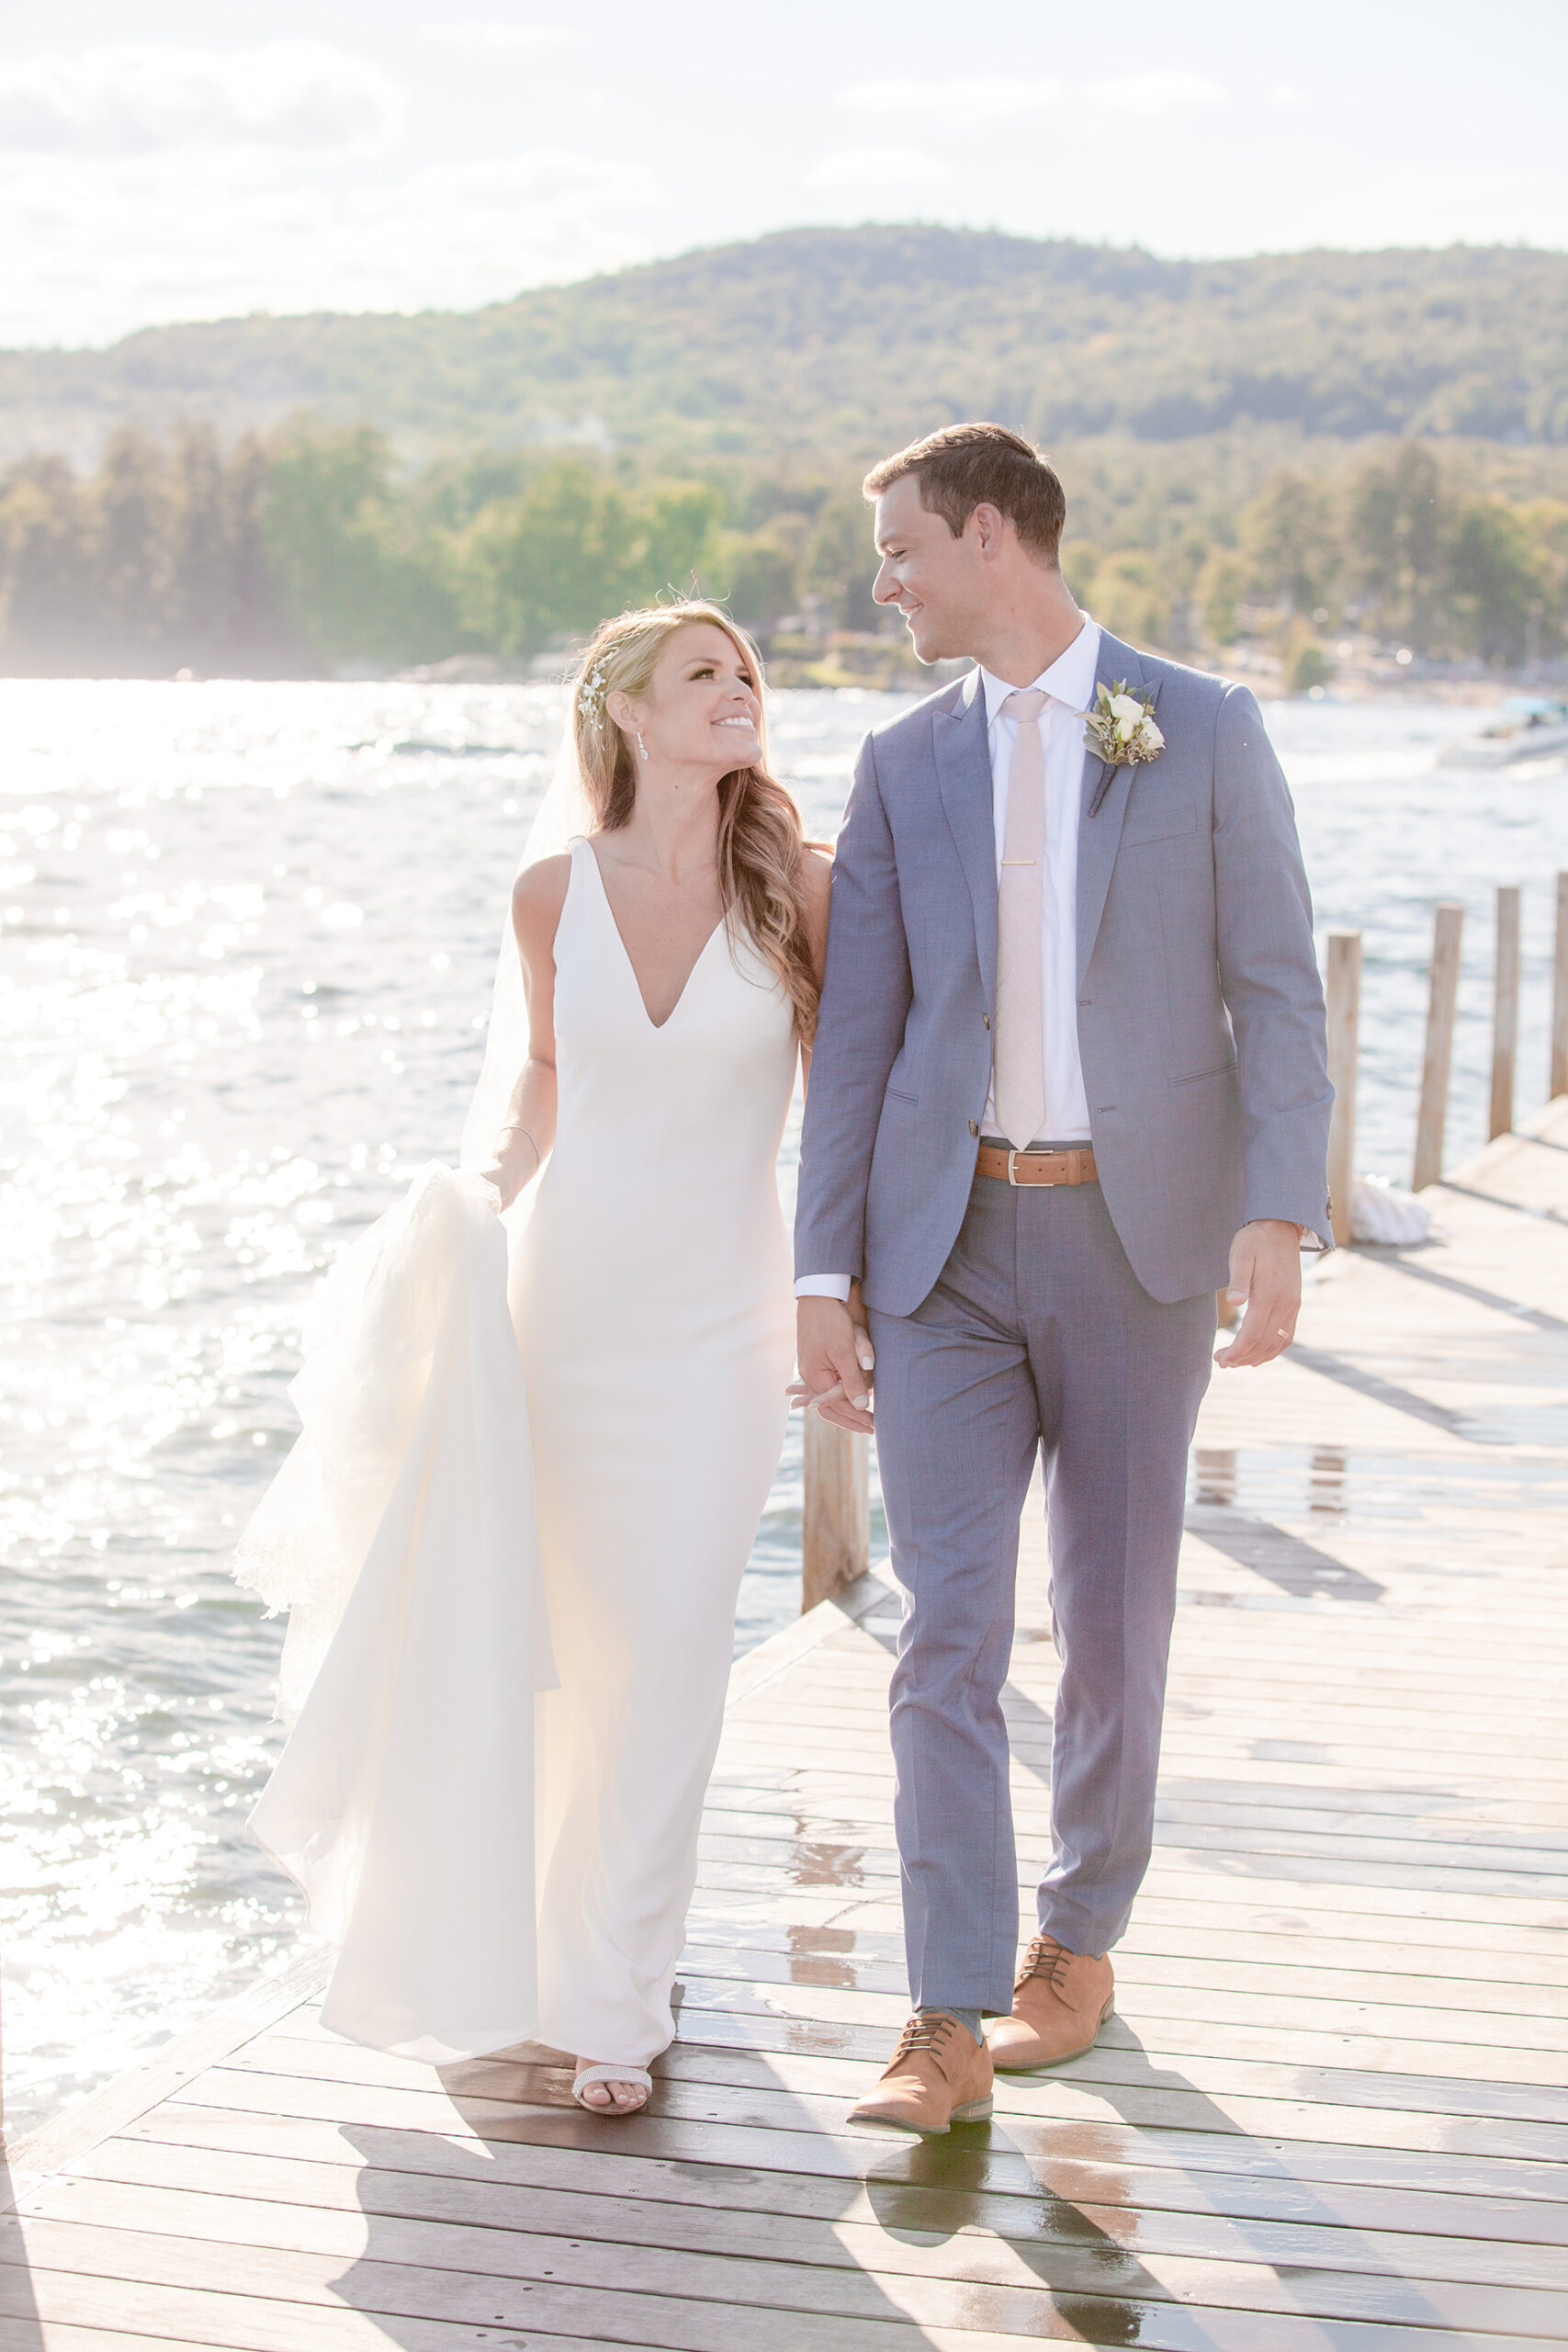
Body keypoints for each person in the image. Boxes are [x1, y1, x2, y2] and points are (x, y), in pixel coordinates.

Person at [794, 424, 1331, 2134]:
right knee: (941, 1626)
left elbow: (1280, 988)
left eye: (900, 550)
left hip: (1138, 1241)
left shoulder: (1202, 726)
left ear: (987, 536)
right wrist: (824, 1266)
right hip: (941, 1251)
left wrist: (1277, 1211)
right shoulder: (899, 761)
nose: (882, 583)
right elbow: (859, 1035)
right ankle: (943, 2015)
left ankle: (1075, 1943)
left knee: (1110, 1618)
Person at [240, 602, 828, 2122]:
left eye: (747, 672)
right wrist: (475, 1207)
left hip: (720, 1321)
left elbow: (848, 1111)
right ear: (625, 710)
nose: (739, 692)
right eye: (706, 674)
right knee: (551, 1642)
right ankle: (535, 1972)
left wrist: (847, 1294)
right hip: (561, 1308)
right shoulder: (548, 893)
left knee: (673, 1656)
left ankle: (622, 2001)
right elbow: (542, 1083)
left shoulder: (800, 891)